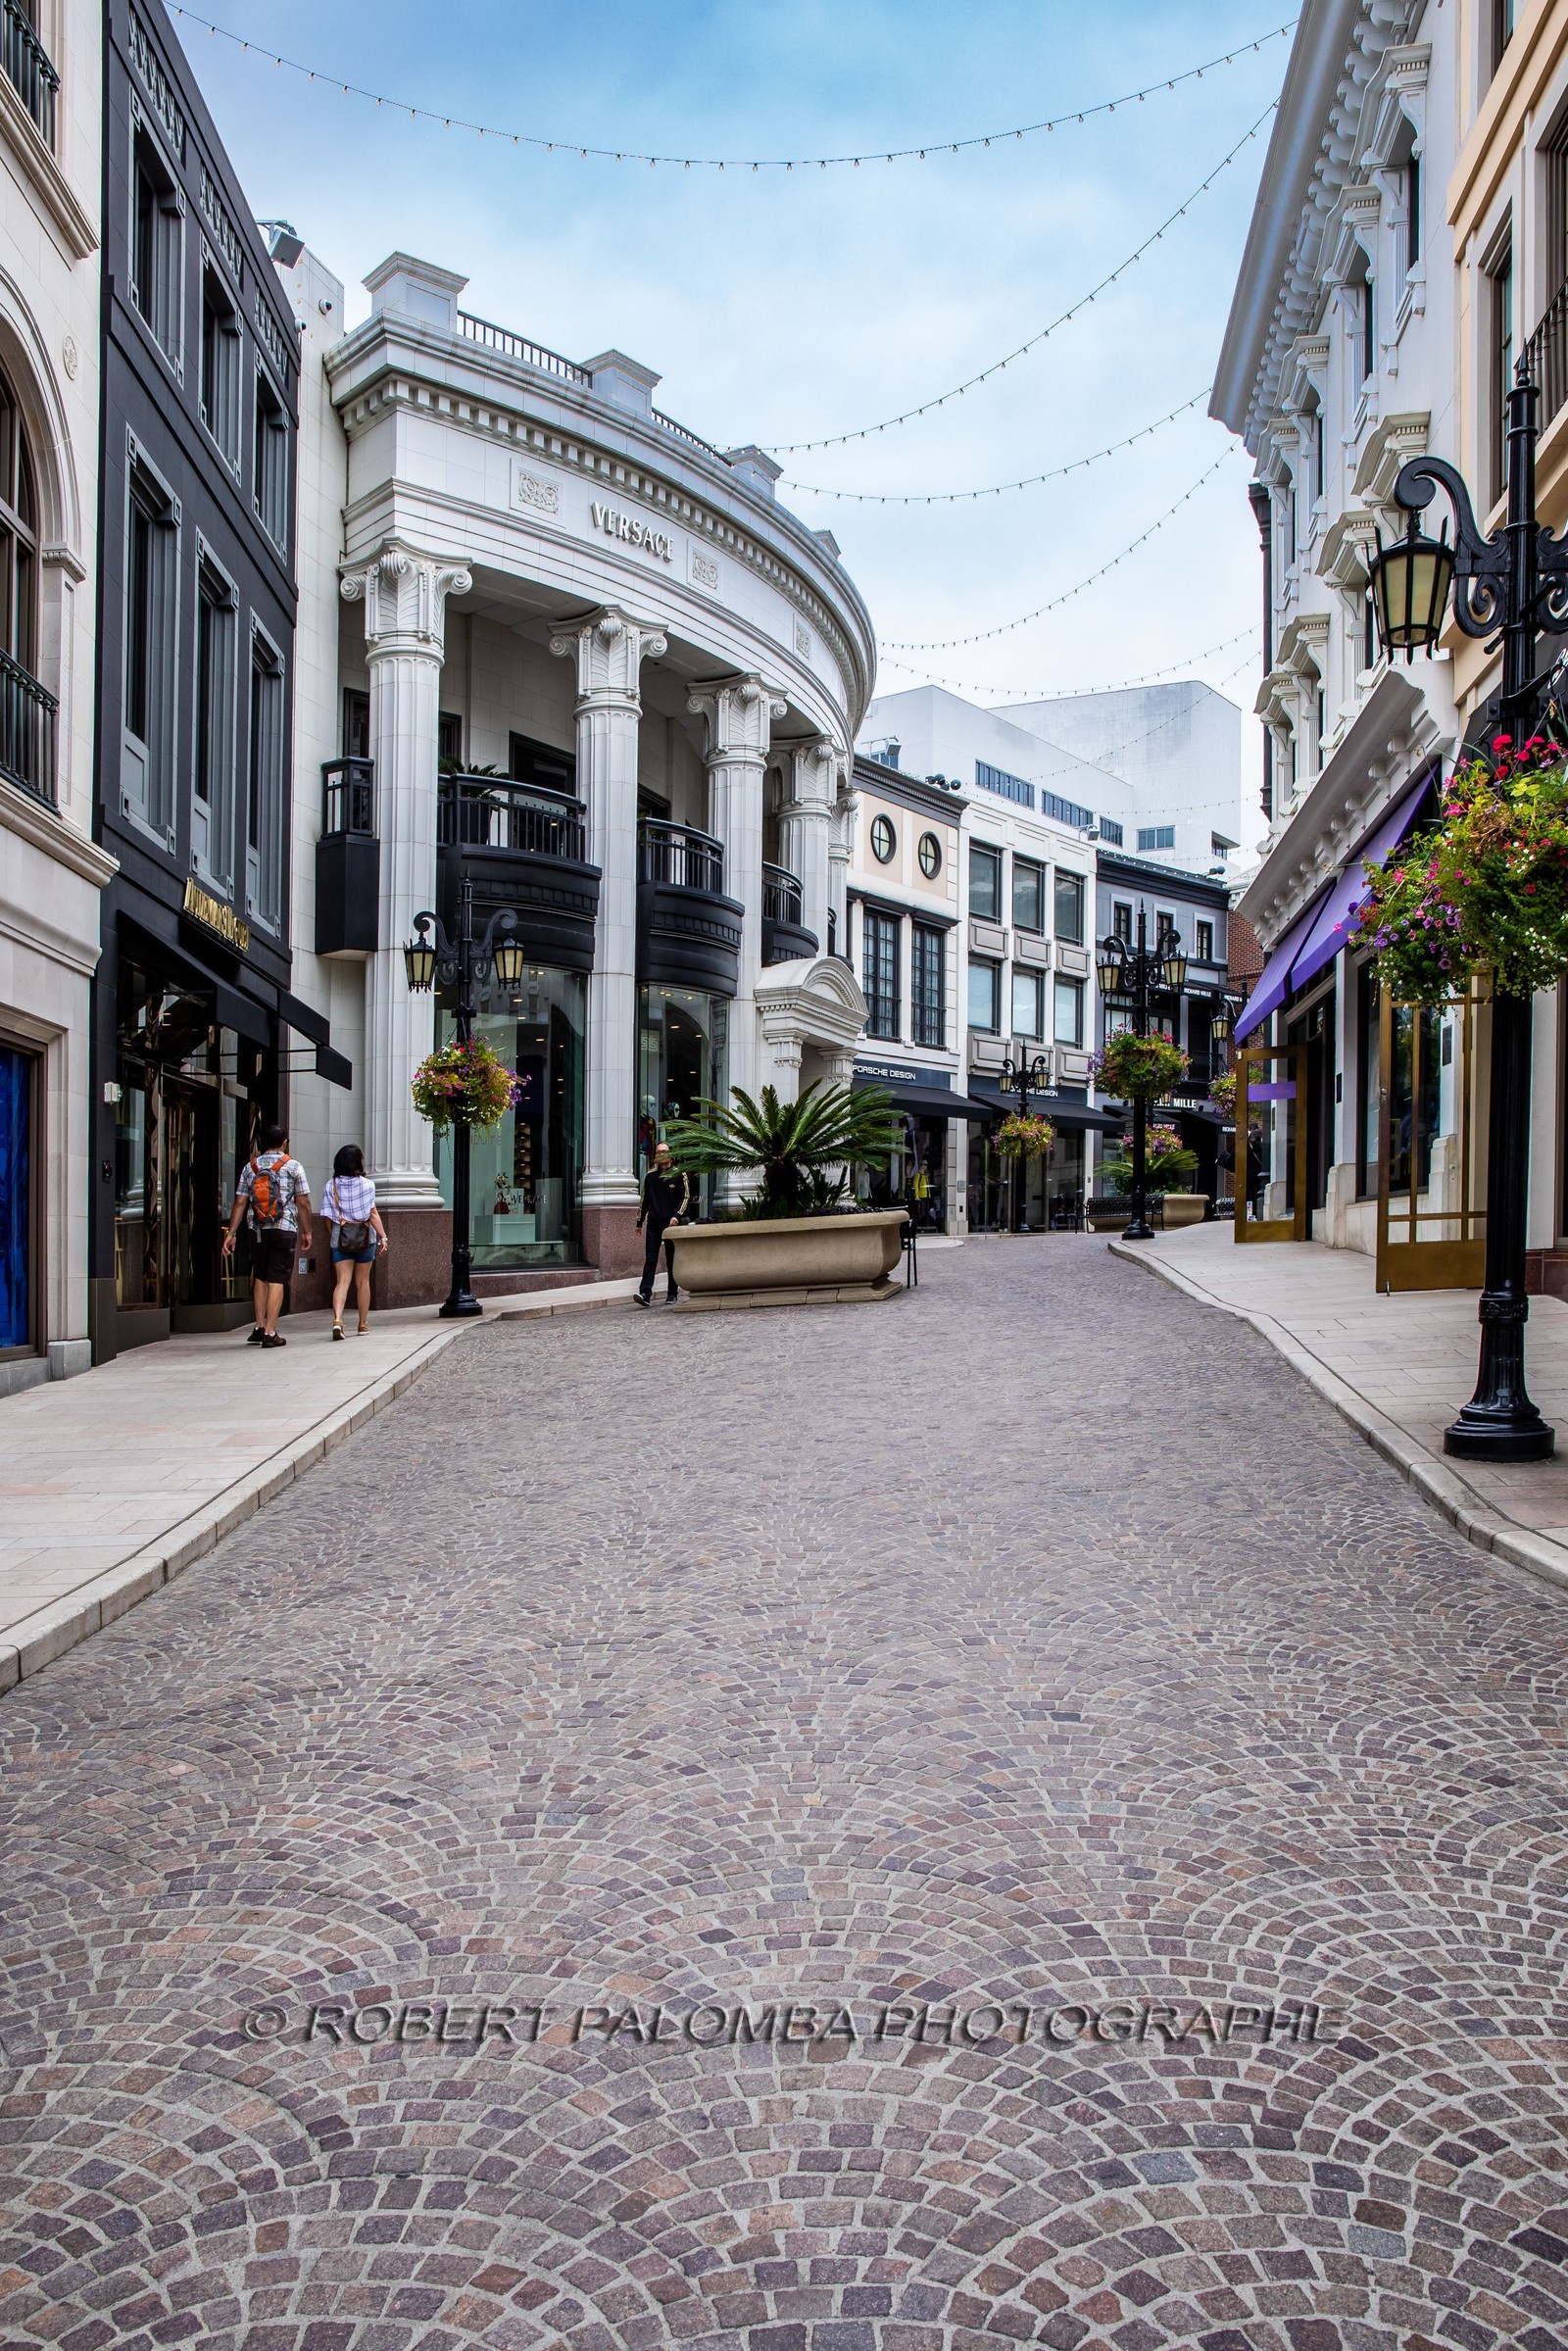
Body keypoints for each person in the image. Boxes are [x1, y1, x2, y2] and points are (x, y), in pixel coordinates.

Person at [222, 1122, 312, 1348]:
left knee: (261, 1275)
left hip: (257, 1229)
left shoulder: (250, 1167)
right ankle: (271, 1333)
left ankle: (258, 1327)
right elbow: (303, 1202)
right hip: (284, 1227)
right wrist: (307, 1231)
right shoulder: (293, 1166)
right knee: (278, 1278)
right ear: (285, 1143)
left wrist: (231, 1233)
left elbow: (241, 1201)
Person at [320, 1143, 388, 1339]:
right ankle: (362, 1324)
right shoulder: (368, 1185)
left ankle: (338, 1321)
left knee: (342, 1282)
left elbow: (326, 1217)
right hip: (365, 1237)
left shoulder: (330, 1185)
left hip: (339, 1237)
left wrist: (333, 1234)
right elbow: (373, 1213)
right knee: (363, 1282)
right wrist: (383, 1236)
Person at [635, 1141, 689, 1306]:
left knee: (671, 1258)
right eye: (659, 1152)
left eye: (665, 1151)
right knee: (650, 1258)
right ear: (656, 1156)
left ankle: (672, 1293)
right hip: (653, 1223)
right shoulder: (650, 1177)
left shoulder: (680, 1174)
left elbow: (685, 1197)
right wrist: (639, 1221)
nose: (662, 1155)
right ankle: (645, 1293)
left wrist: (677, 1216)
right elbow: (644, 1200)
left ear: (670, 1154)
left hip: (672, 1224)